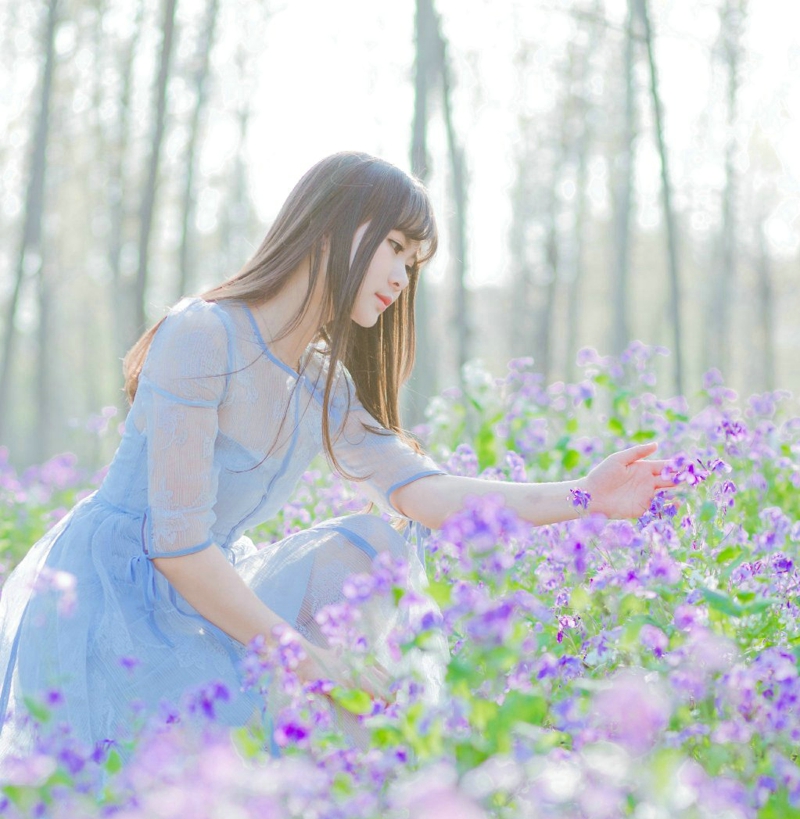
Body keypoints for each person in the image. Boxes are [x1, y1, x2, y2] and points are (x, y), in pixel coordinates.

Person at [0, 152, 672, 768]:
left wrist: (586, 495)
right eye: (395, 247)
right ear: (333, 227)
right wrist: (308, 661)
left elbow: (426, 495)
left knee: (369, 543)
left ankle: (385, 798)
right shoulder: (202, 335)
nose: (403, 276)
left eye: (414, 262)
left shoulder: (323, 384)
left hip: (206, 594)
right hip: (115, 598)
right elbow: (176, 546)